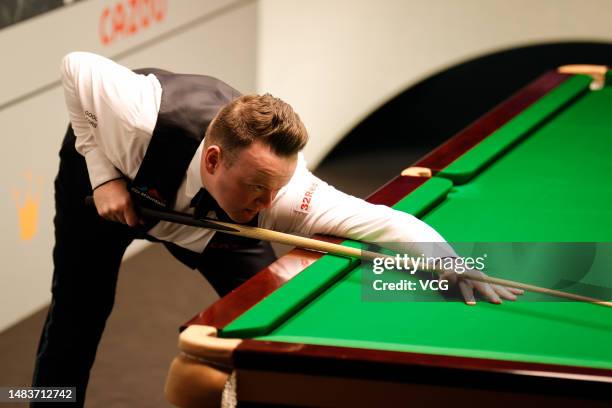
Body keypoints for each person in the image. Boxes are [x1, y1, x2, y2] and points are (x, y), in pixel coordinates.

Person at [32, 52, 522, 406]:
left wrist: (456, 266)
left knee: (266, 317)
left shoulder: (285, 196)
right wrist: (102, 176)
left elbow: (389, 223)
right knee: (80, 309)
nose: (268, 204)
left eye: (276, 190)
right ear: (214, 159)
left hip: (213, 228)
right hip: (107, 189)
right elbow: (76, 66)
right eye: (257, 188)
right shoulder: (138, 115)